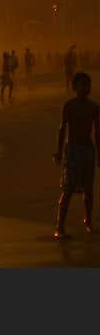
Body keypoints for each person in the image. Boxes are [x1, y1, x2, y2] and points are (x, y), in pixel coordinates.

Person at [52, 72, 100, 239]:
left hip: (88, 150)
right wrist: (58, 152)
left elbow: (97, 132)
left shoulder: (94, 107)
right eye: (82, 85)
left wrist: (99, 155)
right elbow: (62, 129)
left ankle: (88, 220)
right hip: (72, 150)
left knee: (89, 189)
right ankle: (60, 225)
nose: (85, 88)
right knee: (68, 189)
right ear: (75, 87)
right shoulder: (69, 105)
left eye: (88, 85)